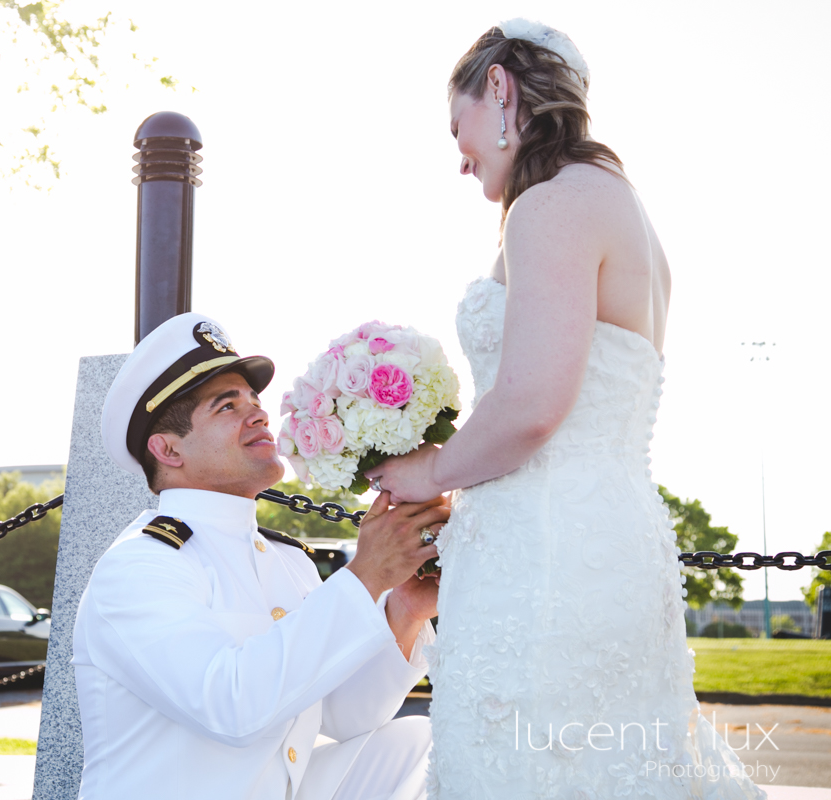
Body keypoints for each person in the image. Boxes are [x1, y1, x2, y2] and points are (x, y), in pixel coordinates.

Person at [364, 19, 766, 799]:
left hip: (543, 559)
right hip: (614, 535)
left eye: (460, 125)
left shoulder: (548, 206)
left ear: (501, 89)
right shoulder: (621, 207)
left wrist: (430, 469)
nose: (459, 155)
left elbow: (532, 407)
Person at [72, 312, 447, 800]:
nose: (258, 414)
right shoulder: (140, 566)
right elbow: (232, 706)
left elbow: (345, 715)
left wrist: (404, 608)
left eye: (254, 400)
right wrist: (365, 575)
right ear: (167, 449)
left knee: (415, 742)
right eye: (226, 406)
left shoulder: (289, 561)